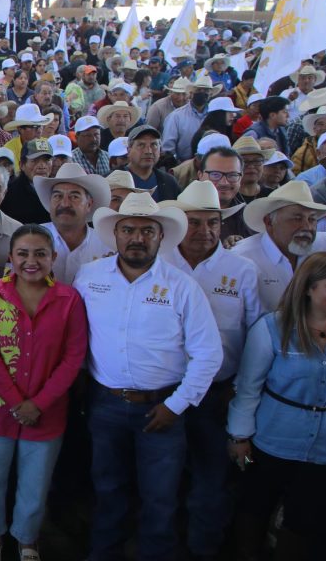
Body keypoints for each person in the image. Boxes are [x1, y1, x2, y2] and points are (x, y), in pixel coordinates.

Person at [74, 192, 223, 561]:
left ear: (160, 237)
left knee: (160, 498)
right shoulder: (89, 276)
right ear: (116, 234)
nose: (137, 238)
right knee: (107, 489)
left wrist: (177, 405)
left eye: (146, 231)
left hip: (162, 408)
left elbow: (208, 353)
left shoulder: (182, 287)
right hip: (104, 403)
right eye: (128, 229)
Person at [227, 252, 326, 560]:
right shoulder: (272, 328)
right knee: (253, 512)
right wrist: (239, 437)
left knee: (305, 525)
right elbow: (248, 387)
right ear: (309, 287)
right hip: (270, 443)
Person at [156, 181, 263, 560]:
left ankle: (203, 551)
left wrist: (241, 389)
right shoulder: (160, 262)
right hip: (165, 393)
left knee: (211, 484)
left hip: (219, 394)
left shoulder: (242, 269)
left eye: (213, 222)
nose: (205, 231)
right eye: (195, 222)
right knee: (161, 483)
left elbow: (255, 335)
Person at [0, 224, 89, 561]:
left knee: (35, 488)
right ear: (10, 257)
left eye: (40, 253)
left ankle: (27, 537)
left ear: (53, 258)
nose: (31, 261)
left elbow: (73, 358)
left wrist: (37, 403)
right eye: (22, 253)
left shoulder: (69, 300)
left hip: (47, 412)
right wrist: (16, 402)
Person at [232, 181, 326, 310]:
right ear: (269, 222)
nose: (307, 227)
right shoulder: (242, 259)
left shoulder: (320, 255)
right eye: (297, 218)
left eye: (312, 219)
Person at [35, 162, 113, 284]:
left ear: (89, 204)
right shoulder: (32, 239)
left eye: (74, 197)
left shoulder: (106, 245)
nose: (65, 203)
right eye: (57, 196)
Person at [1, 138, 54, 224]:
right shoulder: (8, 193)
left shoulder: (57, 190)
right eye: (35, 160)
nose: (42, 166)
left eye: (47, 160)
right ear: (21, 164)